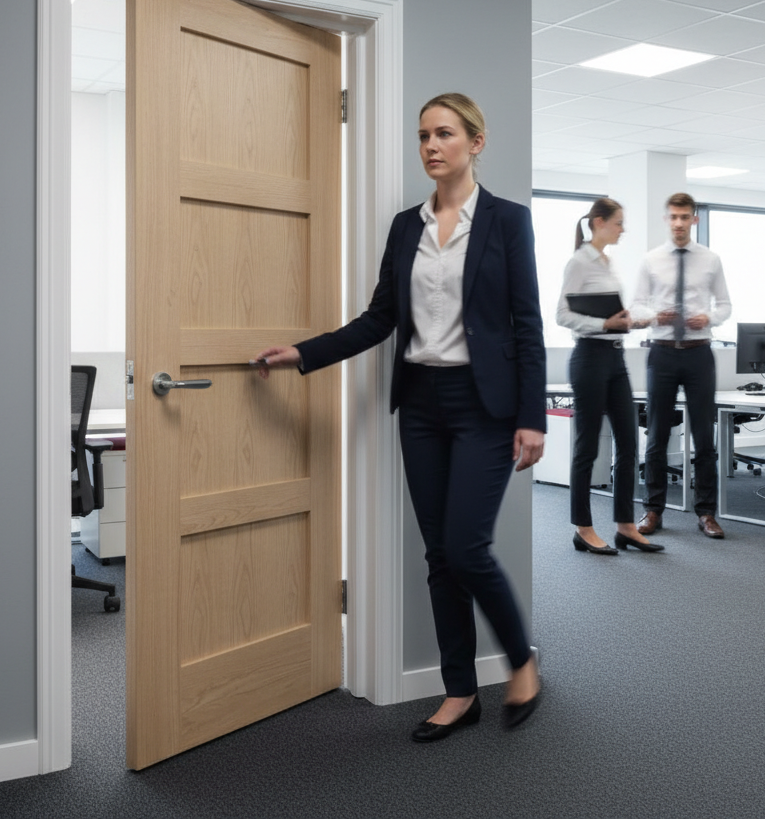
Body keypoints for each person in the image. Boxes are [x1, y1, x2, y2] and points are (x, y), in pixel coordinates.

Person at [252, 93, 546, 739]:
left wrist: (533, 416)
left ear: (476, 141)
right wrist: (305, 352)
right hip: (420, 405)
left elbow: (527, 325)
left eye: (444, 134)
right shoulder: (404, 226)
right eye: (423, 136)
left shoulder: (507, 222)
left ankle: (522, 660)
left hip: (485, 408)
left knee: (468, 547)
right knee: (440, 554)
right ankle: (459, 690)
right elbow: (380, 318)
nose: (431, 146)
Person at [557, 198, 663, 554]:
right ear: (599, 222)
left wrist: (633, 320)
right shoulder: (579, 261)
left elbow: (615, 314)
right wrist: (604, 323)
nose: (623, 229)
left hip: (616, 358)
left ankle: (625, 525)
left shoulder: (607, 262)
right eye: (618, 222)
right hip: (588, 357)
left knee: (629, 444)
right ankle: (583, 528)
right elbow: (562, 315)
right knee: (587, 447)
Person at [630, 192, 731, 539]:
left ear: (694, 220)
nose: (678, 223)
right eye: (673, 217)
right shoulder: (651, 259)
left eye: (684, 217)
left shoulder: (711, 259)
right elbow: (637, 306)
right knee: (656, 434)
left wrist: (711, 317)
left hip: (699, 351)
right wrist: (655, 315)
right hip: (662, 352)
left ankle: (707, 514)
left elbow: (725, 304)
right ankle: (652, 510)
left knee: (704, 436)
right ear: (666, 219)